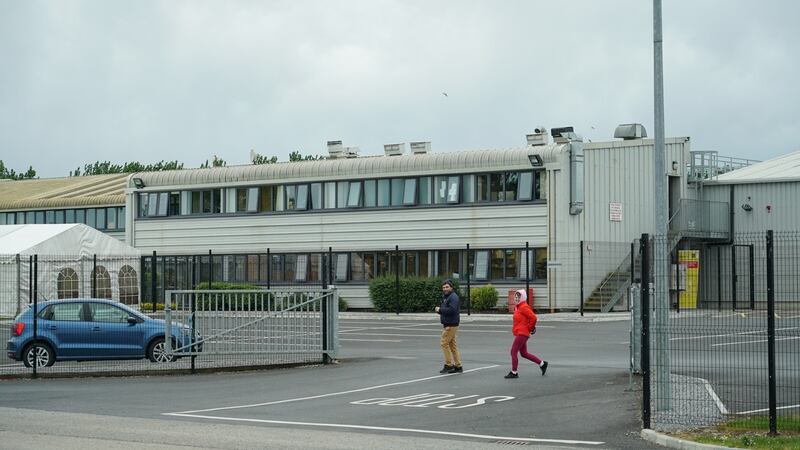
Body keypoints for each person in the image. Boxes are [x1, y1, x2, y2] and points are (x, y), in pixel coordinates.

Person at [505, 289, 547, 379]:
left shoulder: (524, 307)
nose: (516, 298)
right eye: (515, 297)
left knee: (513, 351)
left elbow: (533, 318)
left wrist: (530, 328)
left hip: (522, 333)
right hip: (521, 332)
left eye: (518, 297)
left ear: (523, 298)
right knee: (524, 353)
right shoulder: (518, 307)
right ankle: (542, 364)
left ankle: (514, 372)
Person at [435, 279, 462, 374]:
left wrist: (440, 310)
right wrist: (440, 311)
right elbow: (448, 310)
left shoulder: (453, 297)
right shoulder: (447, 297)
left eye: (447, 287)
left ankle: (449, 365)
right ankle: (458, 366)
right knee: (452, 346)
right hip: (450, 323)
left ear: (451, 287)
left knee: (444, 343)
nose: (445, 289)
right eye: (443, 287)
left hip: (450, 324)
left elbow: (452, 310)